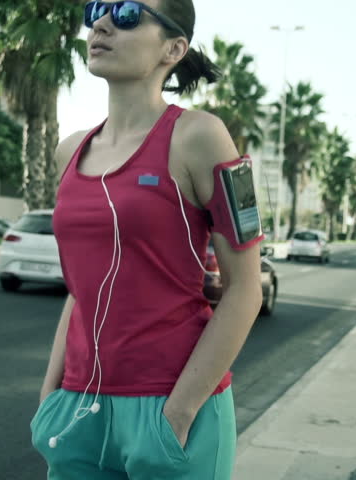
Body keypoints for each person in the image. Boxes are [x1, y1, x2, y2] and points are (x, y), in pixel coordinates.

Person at [30, 1, 264, 478]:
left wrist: (177, 414)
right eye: (97, 9)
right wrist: (49, 395)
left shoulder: (201, 136)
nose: (102, 23)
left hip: (169, 407)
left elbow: (245, 288)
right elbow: (82, 291)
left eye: (128, 13)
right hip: (78, 408)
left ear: (174, 48)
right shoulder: (69, 151)